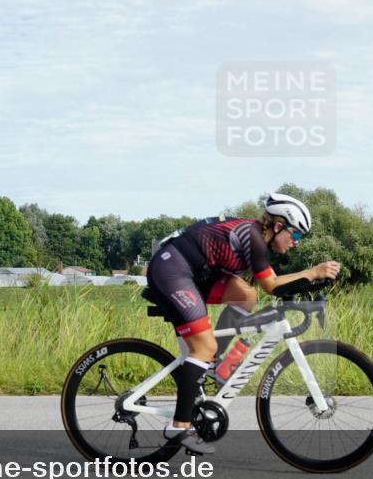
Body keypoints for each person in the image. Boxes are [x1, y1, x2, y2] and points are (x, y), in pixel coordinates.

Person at [145, 193, 341, 454]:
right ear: (278, 226)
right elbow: (272, 286)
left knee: (247, 295)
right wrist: (312, 272)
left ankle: (214, 364)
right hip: (173, 270)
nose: (295, 243)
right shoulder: (254, 237)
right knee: (202, 347)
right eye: (295, 235)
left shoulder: (256, 235)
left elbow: (273, 285)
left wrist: (312, 282)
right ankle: (179, 425)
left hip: (195, 272)